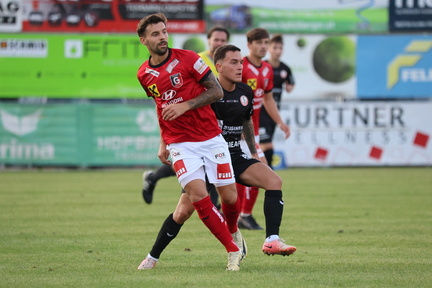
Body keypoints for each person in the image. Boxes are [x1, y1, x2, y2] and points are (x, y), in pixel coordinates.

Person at [137, 44, 296, 271]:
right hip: (204, 155)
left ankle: (271, 239)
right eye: (234, 62)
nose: (240, 66)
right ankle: (153, 256)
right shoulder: (205, 92)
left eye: (241, 62)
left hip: (232, 154)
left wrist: (254, 152)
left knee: (273, 182)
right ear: (218, 66)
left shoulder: (244, 92)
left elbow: (247, 122)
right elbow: (167, 108)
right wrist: (165, 142)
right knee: (182, 212)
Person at [135, 13, 242, 271]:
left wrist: (186, 105)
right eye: (155, 34)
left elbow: (216, 91)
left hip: (210, 138)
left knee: (229, 197)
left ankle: (234, 231)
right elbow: (160, 106)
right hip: (180, 144)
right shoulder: (144, 74)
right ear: (143, 40)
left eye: (164, 32)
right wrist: (164, 142)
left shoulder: (189, 59)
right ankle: (232, 250)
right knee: (198, 197)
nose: (163, 37)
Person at [141, 27, 231, 206]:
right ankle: (215, 208)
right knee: (198, 169)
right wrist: (163, 141)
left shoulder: (231, 62)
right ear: (208, 40)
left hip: (217, 119)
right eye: (216, 39)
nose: (219, 43)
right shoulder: (197, 58)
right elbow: (162, 104)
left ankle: (154, 178)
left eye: (223, 40)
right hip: (194, 123)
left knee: (210, 168)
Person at [237, 28, 291, 230]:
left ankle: (242, 215)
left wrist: (280, 122)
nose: (263, 46)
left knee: (254, 174)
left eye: (265, 43)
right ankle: (243, 215)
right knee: (260, 171)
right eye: (259, 42)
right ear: (249, 44)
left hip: (254, 132)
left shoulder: (267, 69)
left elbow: (267, 99)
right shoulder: (240, 66)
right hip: (238, 132)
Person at [260, 34, 295, 169]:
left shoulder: (285, 69)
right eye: (275, 48)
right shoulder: (263, 66)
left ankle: (263, 172)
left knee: (264, 144)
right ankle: (269, 172)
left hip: (274, 112)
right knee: (266, 144)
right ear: (269, 48)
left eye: (280, 48)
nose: (278, 51)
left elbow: (290, 86)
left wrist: (288, 85)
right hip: (261, 110)